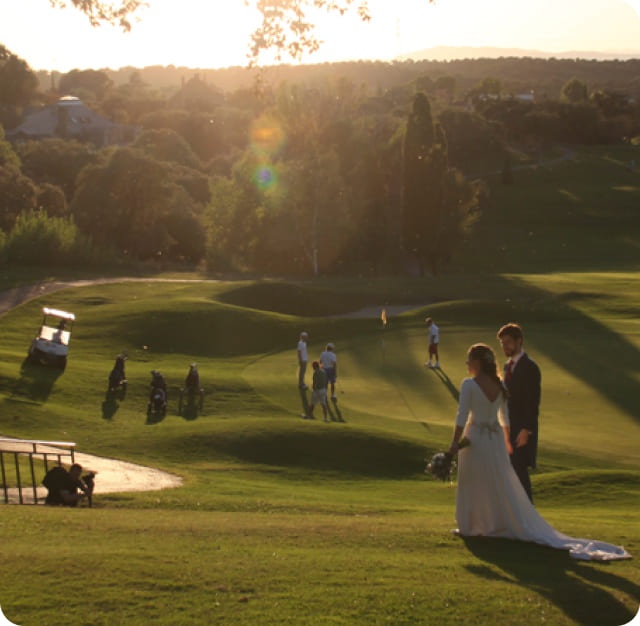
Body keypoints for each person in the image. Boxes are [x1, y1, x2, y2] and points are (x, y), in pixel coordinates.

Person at [448, 343, 630, 561]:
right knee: (496, 479)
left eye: (469, 360)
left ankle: (472, 525)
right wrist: (505, 440)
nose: (467, 364)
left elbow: (462, 416)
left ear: (477, 362)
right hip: (494, 439)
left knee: (474, 480)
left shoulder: (469, 384)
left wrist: (453, 443)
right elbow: (504, 417)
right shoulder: (499, 384)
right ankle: (492, 523)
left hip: (476, 437)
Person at [497, 322, 540, 502]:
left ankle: (529, 516)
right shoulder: (507, 367)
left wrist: (526, 430)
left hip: (522, 430)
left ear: (519, 341)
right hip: (508, 427)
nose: (505, 346)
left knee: (519, 471)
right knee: (511, 472)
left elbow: (533, 401)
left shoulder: (529, 367)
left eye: (508, 342)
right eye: (502, 343)